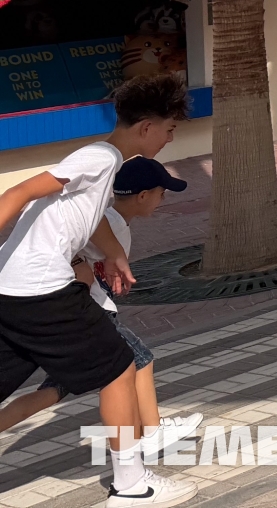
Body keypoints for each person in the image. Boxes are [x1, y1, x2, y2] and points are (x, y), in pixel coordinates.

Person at [0, 76, 194, 506]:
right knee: (119, 366)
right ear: (146, 127)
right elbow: (20, 191)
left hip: (10, 289)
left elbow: (90, 215)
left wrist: (114, 254)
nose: (170, 139)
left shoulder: (105, 163)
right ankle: (132, 487)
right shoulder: (100, 158)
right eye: (169, 130)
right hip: (42, 289)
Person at [75, 159, 200, 459]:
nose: (163, 200)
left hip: (90, 307)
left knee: (58, 386)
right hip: (91, 310)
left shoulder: (109, 218)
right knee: (140, 359)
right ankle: (152, 433)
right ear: (143, 196)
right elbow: (73, 248)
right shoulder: (110, 224)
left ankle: (147, 431)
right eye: (161, 194)